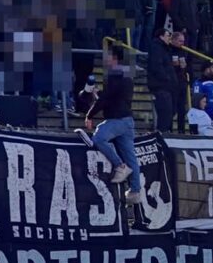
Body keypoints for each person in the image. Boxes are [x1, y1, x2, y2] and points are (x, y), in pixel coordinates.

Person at [78, 45, 144, 206]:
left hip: (117, 119)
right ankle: (135, 191)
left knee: (99, 138)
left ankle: (120, 166)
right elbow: (114, 96)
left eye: (107, 56)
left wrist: (89, 114)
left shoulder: (114, 73)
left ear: (113, 57)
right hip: (127, 120)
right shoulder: (126, 74)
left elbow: (107, 98)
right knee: (131, 157)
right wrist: (98, 94)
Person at [146, 29, 186, 133]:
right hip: (161, 86)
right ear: (161, 36)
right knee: (165, 112)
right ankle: (161, 134)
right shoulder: (157, 48)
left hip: (168, 86)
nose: (169, 38)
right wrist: (167, 78)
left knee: (171, 111)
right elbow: (156, 66)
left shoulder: (165, 49)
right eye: (168, 35)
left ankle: (162, 132)